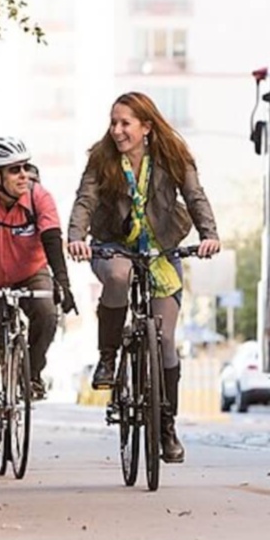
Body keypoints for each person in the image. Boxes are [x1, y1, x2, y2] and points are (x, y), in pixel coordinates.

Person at [67, 91, 220, 465]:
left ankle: (166, 426)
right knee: (118, 275)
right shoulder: (102, 160)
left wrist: (209, 234)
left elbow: (195, 196)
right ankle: (107, 357)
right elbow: (85, 200)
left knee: (165, 338)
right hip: (113, 245)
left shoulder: (173, 157)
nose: (117, 130)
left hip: (161, 248)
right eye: (113, 122)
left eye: (125, 124)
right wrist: (75, 237)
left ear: (146, 128)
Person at [0, 136, 77, 452]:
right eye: (15, 170)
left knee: (47, 311)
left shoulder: (39, 196)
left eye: (26, 167)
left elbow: (52, 238)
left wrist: (62, 283)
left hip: (30, 271)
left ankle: (32, 373)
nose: (24, 175)